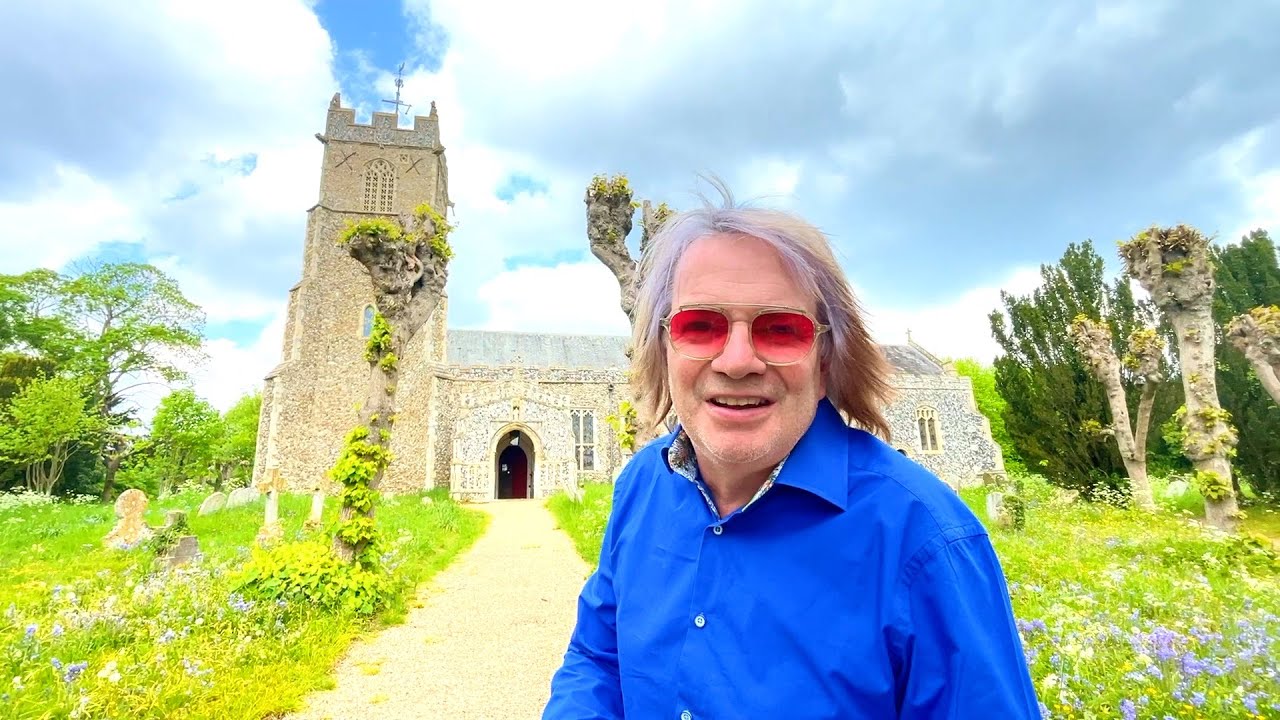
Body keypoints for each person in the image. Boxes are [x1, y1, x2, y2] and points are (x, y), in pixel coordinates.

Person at [543, 181, 1041, 719]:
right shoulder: (642, 485)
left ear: (826, 359)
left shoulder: (924, 541)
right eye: (700, 326)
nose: (737, 361)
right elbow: (599, 658)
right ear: (664, 349)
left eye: (780, 330)